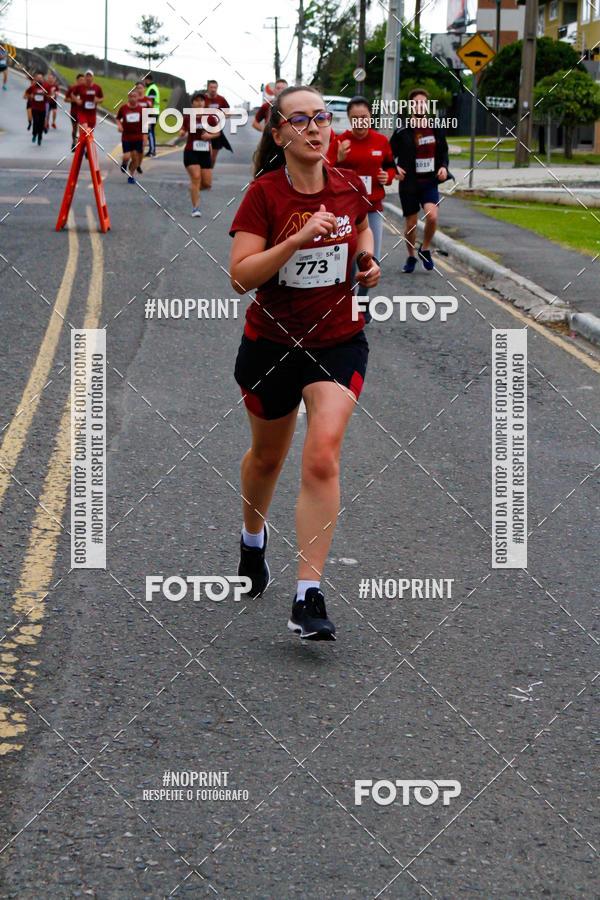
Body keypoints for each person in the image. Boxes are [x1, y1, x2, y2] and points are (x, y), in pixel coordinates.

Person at [229, 85, 381, 641]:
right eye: (300, 120)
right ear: (279, 134)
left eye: (322, 118)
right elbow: (240, 275)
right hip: (271, 346)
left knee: (321, 456)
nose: (315, 128)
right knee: (267, 460)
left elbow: (361, 226)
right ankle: (252, 540)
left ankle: (307, 594)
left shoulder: (347, 186)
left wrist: (366, 259)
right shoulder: (263, 196)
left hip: (338, 342)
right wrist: (294, 242)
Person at [328, 96, 395, 316]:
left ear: (370, 117)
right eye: (355, 118)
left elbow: (390, 167)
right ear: (348, 119)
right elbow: (324, 171)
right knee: (346, 262)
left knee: (369, 260)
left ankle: (362, 304)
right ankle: (345, 304)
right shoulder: (340, 140)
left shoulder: (381, 141)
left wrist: (389, 176)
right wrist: (337, 158)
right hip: (346, 210)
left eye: (364, 117)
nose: (360, 122)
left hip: (372, 207)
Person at [389, 88, 449, 272]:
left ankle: (425, 248)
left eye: (423, 102)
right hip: (409, 183)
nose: (420, 105)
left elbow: (443, 151)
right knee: (411, 224)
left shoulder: (435, 128)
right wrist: (394, 168)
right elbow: (388, 154)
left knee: (432, 216)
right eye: (416, 102)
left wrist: (443, 167)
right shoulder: (402, 130)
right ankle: (411, 256)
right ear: (410, 106)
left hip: (429, 181)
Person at [179, 91, 215, 217]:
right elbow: (182, 129)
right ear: (192, 103)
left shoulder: (210, 118)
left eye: (202, 100)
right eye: (197, 100)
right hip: (190, 151)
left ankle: (193, 190)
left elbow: (218, 133)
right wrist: (182, 132)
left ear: (205, 103)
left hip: (205, 152)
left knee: (207, 184)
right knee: (195, 177)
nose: (199, 103)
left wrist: (209, 135)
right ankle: (195, 208)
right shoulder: (188, 117)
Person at [116, 90, 145, 183]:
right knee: (126, 156)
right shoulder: (123, 108)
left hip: (138, 137)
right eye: (131, 96)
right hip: (127, 136)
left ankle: (131, 176)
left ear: (138, 98)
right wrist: (120, 125)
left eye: (135, 96)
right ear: (128, 97)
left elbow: (145, 124)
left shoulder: (141, 109)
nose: (133, 98)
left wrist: (145, 137)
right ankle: (124, 163)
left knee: (135, 158)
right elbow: (117, 118)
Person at [204, 79, 233, 166]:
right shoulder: (202, 98)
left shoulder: (221, 99)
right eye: (211, 87)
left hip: (217, 131)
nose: (213, 89)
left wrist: (221, 116)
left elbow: (228, 113)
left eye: (215, 87)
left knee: (212, 158)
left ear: (217, 88)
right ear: (208, 88)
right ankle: (204, 173)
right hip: (204, 130)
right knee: (205, 156)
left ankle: (208, 172)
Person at [71, 69, 104, 135]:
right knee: (85, 129)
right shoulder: (80, 87)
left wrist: (97, 100)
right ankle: (81, 143)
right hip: (82, 112)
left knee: (89, 133)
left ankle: (83, 144)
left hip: (92, 114)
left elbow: (102, 98)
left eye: (90, 76)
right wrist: (77, 100)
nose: (88, 78)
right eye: (87, 76)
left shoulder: (97, 88)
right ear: (85, 77)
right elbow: (72, 94)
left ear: (93, 77)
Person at [24, 72, 47, 146]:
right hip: (35, 108)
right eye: (38, 78)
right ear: (36, 79)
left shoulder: (46, 87)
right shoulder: (33, 87)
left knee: (41, 124)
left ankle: (40, 137)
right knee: (36, 122)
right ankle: (34, 134)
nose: (40, 79)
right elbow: (25, 95)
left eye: (41, 78)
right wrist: (31, 97)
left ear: (43, 79)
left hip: (43, 109)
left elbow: (50, 96)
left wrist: (49, 97)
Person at [65, 73, 85, 150]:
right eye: (80, 80)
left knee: (83, 129)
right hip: (74, 112)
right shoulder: (72, 88)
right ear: (77, 81)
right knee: (74, 129)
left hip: (83, 113)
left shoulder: (86, 89)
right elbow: (66, 99)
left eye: (83, 80)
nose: (82, 81)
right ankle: (74, 142)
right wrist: (74, 100)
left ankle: (83, 146)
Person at [144, 74, 160, 157]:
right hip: (153, 112)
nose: (145, 83)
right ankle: (151, 150)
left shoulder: (152, 89)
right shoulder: (153, 88)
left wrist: (149, 113)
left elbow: (151, 102)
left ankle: (152, 151)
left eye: (145, 81)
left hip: (152, 112)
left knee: (149, 132)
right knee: (150, 131)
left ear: (148, 80)